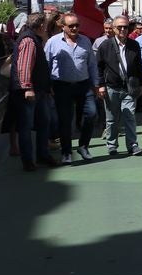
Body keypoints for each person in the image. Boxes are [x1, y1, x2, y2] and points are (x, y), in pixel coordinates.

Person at [44, 13, 100, 163]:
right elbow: (46, 65)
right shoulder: (52, 42)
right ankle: (66, 152)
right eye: (71, 26)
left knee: (91, 114)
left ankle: (83, 146)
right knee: (65, 120)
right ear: (63, 27)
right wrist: (48, 85)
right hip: (62, 86)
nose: (75, 28)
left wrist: (96, 84)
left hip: (84, 85)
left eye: (77, 25)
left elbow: (92, 65)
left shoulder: (86, 41)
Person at [9, 13, 58, 171]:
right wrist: (28, 88)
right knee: (26, 126)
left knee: (44, 122)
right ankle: (28, 161)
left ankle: (42, 155)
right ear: (41, 26)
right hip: (30, 91)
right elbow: (24, 66)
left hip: (39, 90)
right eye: (45, 25)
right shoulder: (29, 41)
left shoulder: (33, 39)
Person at [97, 16, 142, 156]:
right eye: (120, 27)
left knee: (129, 115)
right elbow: (98, 67)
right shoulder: (105, 46)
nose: (123, 30)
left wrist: (141, 84)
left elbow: (139, 66)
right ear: (113, 28)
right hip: (111, 87)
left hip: (129, 87)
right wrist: (100, 85)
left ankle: (133, 145)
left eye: (125, 27)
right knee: (112, 119)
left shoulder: (134, 45)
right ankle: (112, 145)